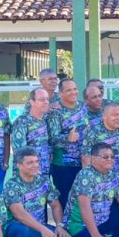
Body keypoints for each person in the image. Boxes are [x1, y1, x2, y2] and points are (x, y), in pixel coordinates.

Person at [3, 147, 73, 237]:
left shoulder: (43, 181)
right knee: (21, 229)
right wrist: (44, 229)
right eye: (30, 163)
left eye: (36, 161)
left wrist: (59, 226)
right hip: (17, 229)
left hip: (38, 229)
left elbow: (56, 205)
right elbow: (19, 214)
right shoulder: (12, 185)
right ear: (19, 165)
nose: (35, 165)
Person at [48, 79, 87, 209]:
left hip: (84, 163)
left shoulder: (83, 107)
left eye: (75, 89)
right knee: (66, 201)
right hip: (64, 166)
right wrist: (67, 138)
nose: (73, 92)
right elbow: (52, 139)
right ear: (60, 92)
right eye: (68, 90)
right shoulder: (56, 111)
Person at [82, 103, 119, 186]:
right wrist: (91, 185)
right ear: (104, 116)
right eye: (115, 115)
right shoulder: (92, 132)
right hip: (100, 181)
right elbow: (86, 160)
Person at [11, 88, 57, 177]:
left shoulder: (44, 120)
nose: (46, 102)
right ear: (32, 102)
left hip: (44, 172)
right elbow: (19, 151)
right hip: (28, 174)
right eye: (42, 100)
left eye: (47, 99)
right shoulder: (22, 121)